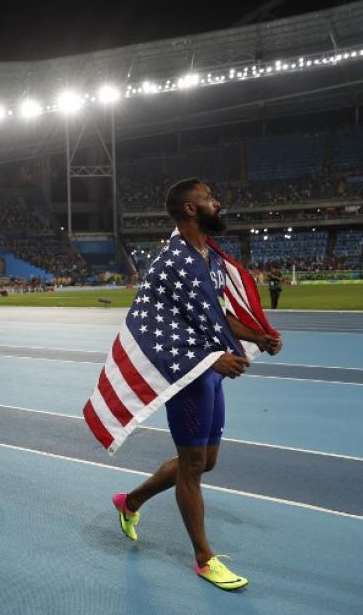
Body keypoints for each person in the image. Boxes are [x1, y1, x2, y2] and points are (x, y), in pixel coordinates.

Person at [111, 178, 282, 591]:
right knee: (191, 466)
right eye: (209, 199)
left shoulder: (211, 259)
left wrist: (256, 336)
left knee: (206, 462)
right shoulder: (173, 262)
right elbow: (159, 332)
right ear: (191, 209)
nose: (217, 203)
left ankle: (130, 501)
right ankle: (204, 559)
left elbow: (219, 317)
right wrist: (212, 357)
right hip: (187, 373)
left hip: (209, 374)